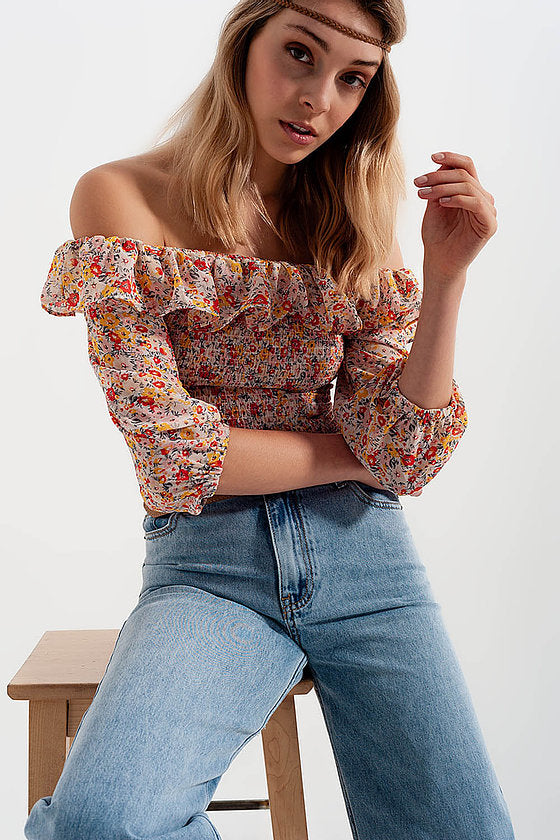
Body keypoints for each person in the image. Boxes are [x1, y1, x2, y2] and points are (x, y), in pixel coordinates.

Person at [25, 1, 515, 839]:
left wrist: (447, 276)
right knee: (102, 824)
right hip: (209, 571)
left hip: (369, 567)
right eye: (299, 54)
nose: (319, 99)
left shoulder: (353, 222)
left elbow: (404, 452)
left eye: (352, 78)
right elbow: (177, 458)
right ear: (245, 41)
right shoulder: (121, 198)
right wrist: (352, 457)